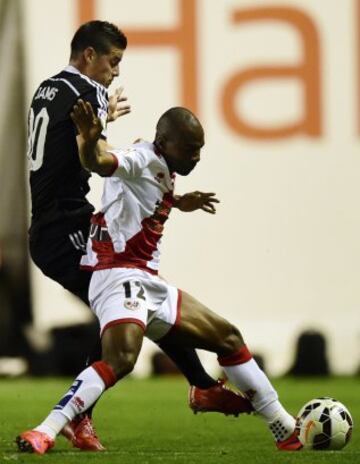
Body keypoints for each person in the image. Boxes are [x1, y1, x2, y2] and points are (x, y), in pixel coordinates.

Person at [16, 103, 302, 454]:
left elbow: (140, 192)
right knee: (120, 360)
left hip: (147, 280)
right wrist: (90, 141)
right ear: (164, 142)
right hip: (118, 276)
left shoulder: (162, 166)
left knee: (228, 337)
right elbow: (100, 164)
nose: (196, 157)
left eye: (200, 150)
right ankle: (45, 430)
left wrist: (178, 201)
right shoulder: (140, 157)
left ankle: (285, 428)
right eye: (190, 149)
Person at [26, 20, 248, 451]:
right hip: (64, 228)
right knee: (130, 297)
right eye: (114, 61)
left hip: (57, 222)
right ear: (89, 55)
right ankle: (82, 417)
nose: (116, 72)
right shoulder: (89, 92)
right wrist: (100, 125)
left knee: (134, 297)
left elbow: (56, 143)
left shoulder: (48, 87)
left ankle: (199, 384)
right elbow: (95, 160)